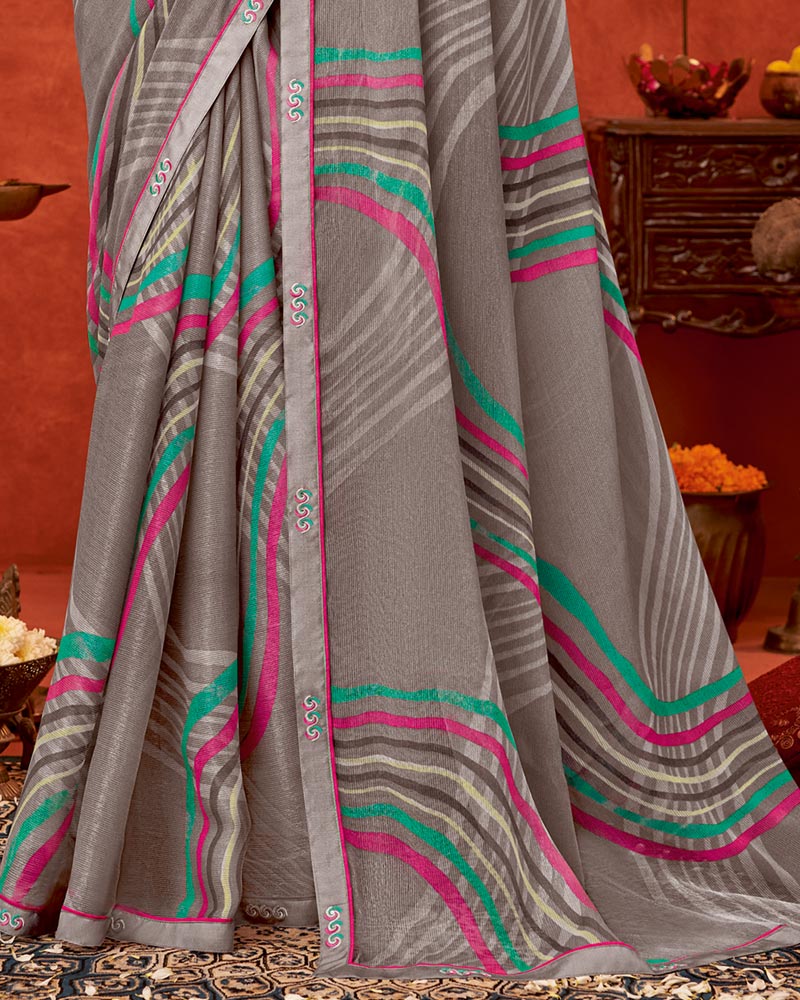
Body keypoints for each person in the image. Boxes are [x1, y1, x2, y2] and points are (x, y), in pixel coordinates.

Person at [1, 0, 800, 982]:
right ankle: (261, 834)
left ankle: (382, 825)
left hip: (402, 32)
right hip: (226, 63)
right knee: (242, 419)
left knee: (401, 365)